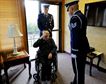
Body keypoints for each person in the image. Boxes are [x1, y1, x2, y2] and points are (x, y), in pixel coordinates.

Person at [65, 0, 90, 84]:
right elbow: (79, 32)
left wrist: (73, 51)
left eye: (68, 10)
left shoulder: (74, 18)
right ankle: (75, 81)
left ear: (72, 8)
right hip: (83, 47)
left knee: (77, 69)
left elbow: (75, 35)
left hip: (77, 50)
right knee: (80, 69)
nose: (68, 12)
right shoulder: (82, 16)